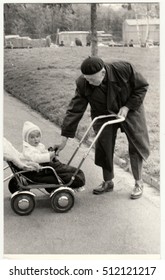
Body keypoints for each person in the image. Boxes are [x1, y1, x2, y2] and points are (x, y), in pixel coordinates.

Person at [55, 56, 150, 199]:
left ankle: (138, 182)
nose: (90, 83)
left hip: (130, 108)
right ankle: (108, 182)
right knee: (103, 145)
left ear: (103, 73)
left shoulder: (124, 69)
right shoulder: (83, 83)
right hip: (102, 112)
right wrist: (64, 138)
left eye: (92, 80)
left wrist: (127, 107)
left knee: (136, 143)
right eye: (87, 79)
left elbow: (142, 87)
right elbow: (75, 109)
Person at [22, 121, 85, 189]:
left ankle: (75, 177)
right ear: (26, 139)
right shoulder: (28, 149)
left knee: (62, 169)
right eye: (32, 137)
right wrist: (48, 156)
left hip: (45, 167)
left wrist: (50, 153)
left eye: (37, 136)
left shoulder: (38, 146)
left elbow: (43, 152)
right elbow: (36, 158)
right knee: (62, 171)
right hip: (39, 171)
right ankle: (75, 179)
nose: (36, 139)